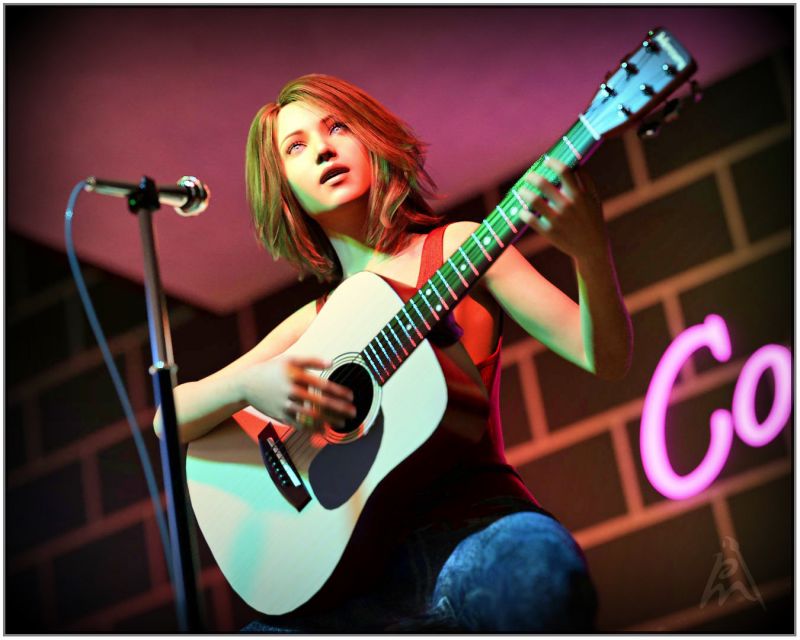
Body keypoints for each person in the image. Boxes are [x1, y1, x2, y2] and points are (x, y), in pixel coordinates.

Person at [154, 74, 633, 632]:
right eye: (297, 146)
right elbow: (171, 417)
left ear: (373, 140)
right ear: (284, 190)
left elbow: (604, 357)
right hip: (359, 579)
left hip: (479, 532)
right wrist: (250, 385)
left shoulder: (458, 248)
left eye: (337, 127)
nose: (324, 148)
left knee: (537, 573)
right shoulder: (317, 321)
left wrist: (590, 252)